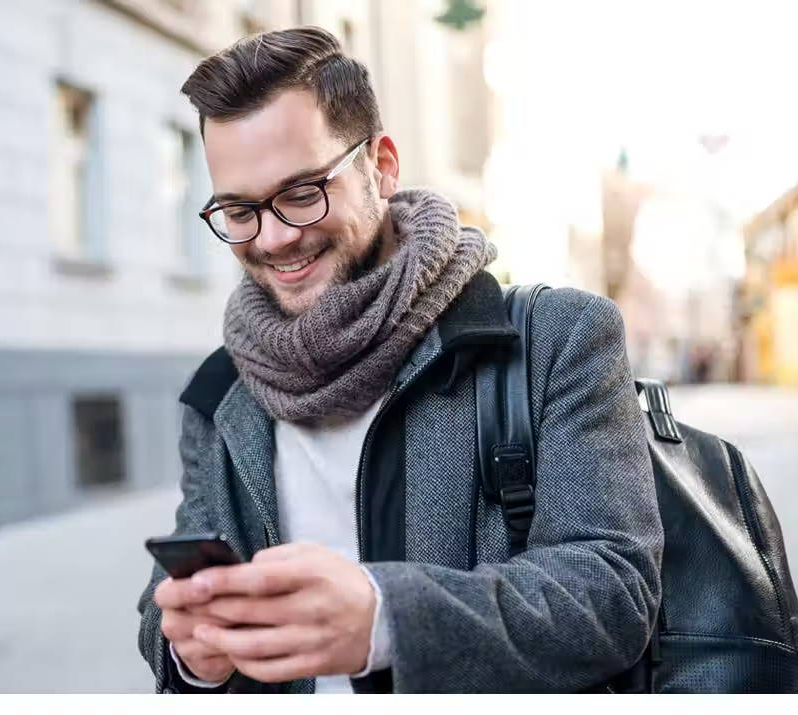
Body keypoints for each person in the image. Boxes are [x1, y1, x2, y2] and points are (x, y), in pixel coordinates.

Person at [135, 26, 663, 694]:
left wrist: (386, 618)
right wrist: (191, 651)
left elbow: (614, 593)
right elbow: (162, 610)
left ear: (381, 166)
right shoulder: (220, 395)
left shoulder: (556, 340)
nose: (273, 237)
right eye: (240, 209)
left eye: (302, 193)